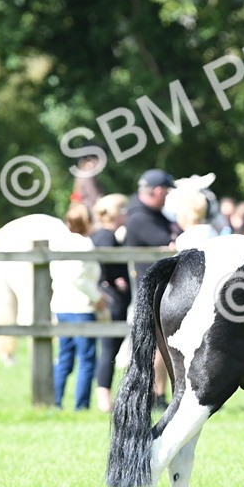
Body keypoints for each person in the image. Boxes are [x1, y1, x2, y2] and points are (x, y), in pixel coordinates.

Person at [122, 168, 177, 407]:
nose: (166, 196)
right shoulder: (140, 218)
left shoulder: (152, 214)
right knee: (156, 345)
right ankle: (154, 394)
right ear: (156, 191)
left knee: (161, 344)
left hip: (156, 288)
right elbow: (169, 241)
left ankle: (159, 394)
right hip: (151, 290)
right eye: (165, 191)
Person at [51, 202, 105, 411]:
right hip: (81, 307)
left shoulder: (59, 243)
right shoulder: (85, 245)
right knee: (86, 359)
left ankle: (56, 402)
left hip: (61, 307)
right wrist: (96, 296)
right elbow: (79, 278)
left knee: (64, 357)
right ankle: (81, 405)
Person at [91, 194, 130, 413]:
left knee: (110, 350)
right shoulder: (106, 237)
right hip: (113, 299)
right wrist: (113, 280)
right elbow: (103, 260)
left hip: (113, 297)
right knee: (108, 349)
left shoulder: (102, 235)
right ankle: (104, 399)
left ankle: (104, 397)